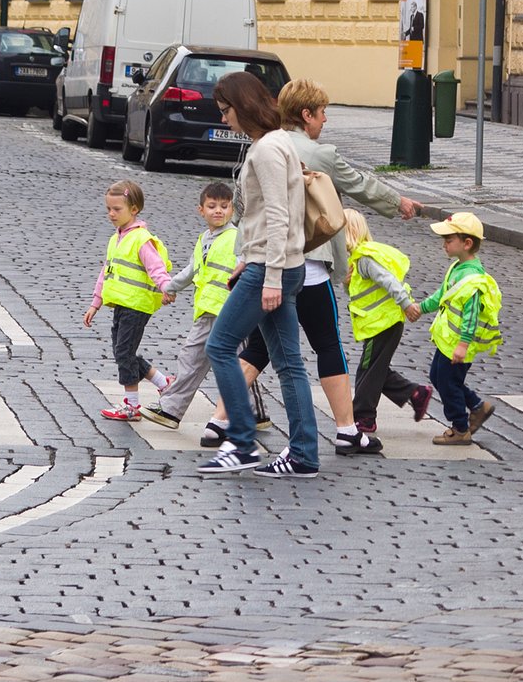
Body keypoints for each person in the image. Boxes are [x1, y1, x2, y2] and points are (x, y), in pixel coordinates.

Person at [238, 78, 424, 458]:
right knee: (327, 347)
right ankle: (346, 430)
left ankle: (221, 420)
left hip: (264, 265)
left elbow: (244, 203)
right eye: (322, 114)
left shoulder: (262, 145)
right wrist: (398, 202)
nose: (325, 121)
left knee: (258, 347)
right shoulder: (320, 154)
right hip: (308, 266)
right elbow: (359, 185)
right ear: (306, 115)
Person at [199, 73, 320, 477]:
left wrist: (267, 276)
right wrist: (247, 259)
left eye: (226, 111)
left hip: (275, 269)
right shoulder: (277, 141)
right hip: (277, 264)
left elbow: (278, 216)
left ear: (243, 106)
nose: (225, 120)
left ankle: (243, 443)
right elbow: (265, 217)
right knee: (289, 364)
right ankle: (303, 455)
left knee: (219, 346)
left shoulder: (267, 149)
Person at [143, 181, 238, 438]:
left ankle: (172, 408)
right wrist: (171, 287)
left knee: (209, 360)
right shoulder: (204, 239)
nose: (218, 211)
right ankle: (252, 412)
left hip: (229, 310)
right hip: (209, 309)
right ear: (201, 210)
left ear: (232, 209)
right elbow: (193, 269)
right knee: (216, 360)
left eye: (224, 206)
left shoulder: (236, 238)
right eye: (212, 206)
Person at [81, 180, 172, 422]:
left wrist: (167, 288)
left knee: (123, 352)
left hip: (137, 305)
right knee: (124, 352)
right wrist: (96, 302)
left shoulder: (141, 239)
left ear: (134, 209)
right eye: (108, 209)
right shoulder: (116, 239)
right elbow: (107, 271)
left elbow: (157, 268)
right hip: (122, 304)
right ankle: (164, 383)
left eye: (117, 209)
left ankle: (131, 406)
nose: (111, 214)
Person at [340, 208, 431, 449]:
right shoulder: (355, 261)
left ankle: (364, 417)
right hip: (379, 324)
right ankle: (415, 394)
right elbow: (359, 293)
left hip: (384, 323)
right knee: (374, 368)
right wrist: (347, 284)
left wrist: (407, 304)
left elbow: (390, 281)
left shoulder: (365, 260)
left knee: (369, 370)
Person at [420, 212, 501, 445]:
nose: (444, 244)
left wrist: (463, 345)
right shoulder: (457, 268)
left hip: (458, 344)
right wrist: (421, 307)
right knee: (439, 377)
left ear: (466, 243)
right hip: (448, 341)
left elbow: (472, 314)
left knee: (447, 382)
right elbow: (443, 295)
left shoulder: (473, 278)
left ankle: (460, 428)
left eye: (448, 239)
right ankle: (477, 406)